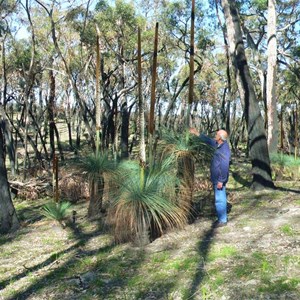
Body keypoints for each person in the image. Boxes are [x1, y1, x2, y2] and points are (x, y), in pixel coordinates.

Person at [189, 128, 231, 227]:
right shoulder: (217, 144)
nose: (215, 136)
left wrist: (221, 180)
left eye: (216, 135)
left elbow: (225, 166)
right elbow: (208, 140)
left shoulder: (224, 149)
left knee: (220, 199)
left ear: (220, 138)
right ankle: (221, 218)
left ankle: (222, 220)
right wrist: (197, 133)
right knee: (219, 197)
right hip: (216, 177)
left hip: (219, 178)